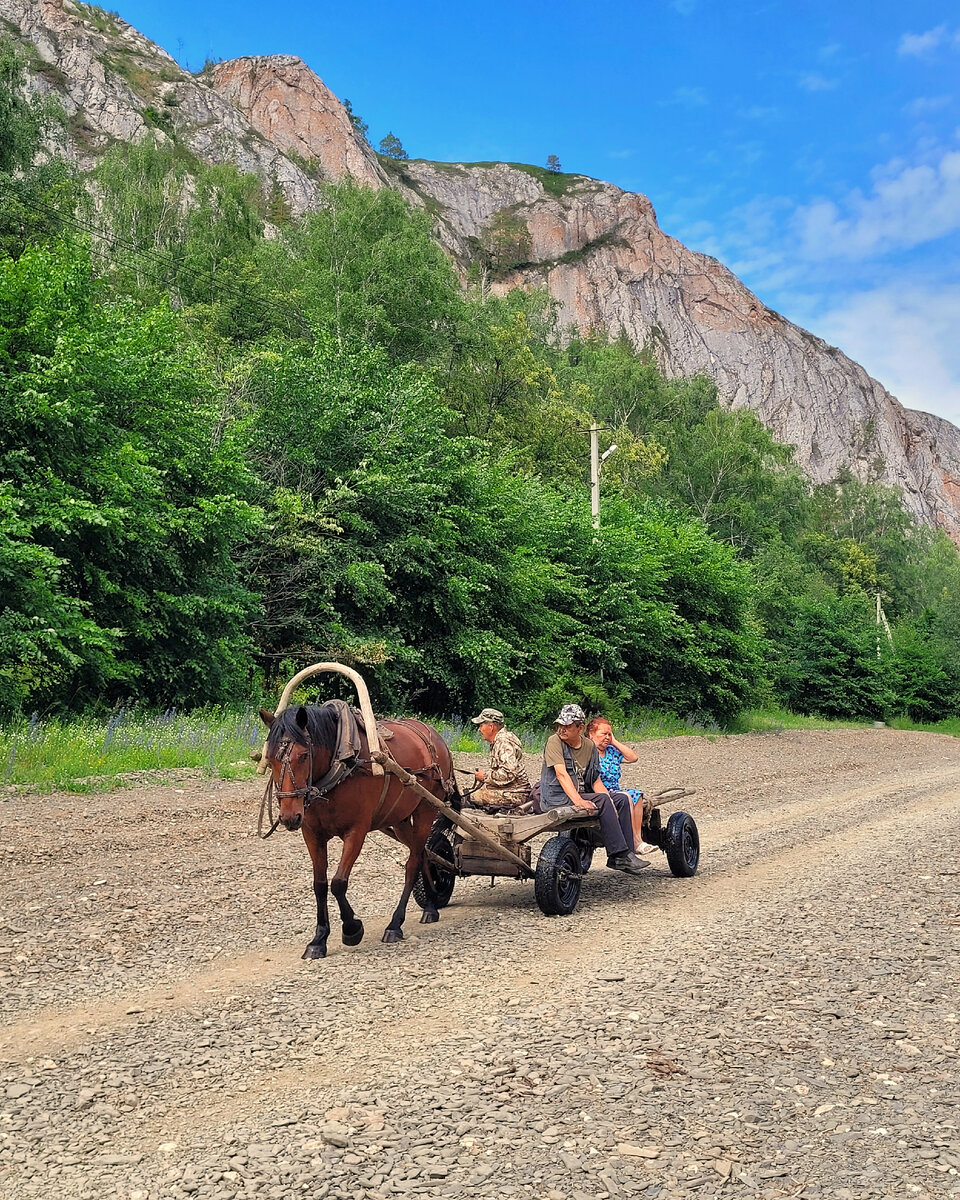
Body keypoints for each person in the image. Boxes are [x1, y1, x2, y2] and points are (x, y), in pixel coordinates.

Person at [539, 704, 649, 875]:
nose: (562, 729)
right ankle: (619, 854)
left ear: (580, 728)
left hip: (578, 792)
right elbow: (561, 775)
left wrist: (611, 802)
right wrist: (580, 801)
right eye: (560, 724)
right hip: (556, 797)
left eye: (567, 725)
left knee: (621, 799)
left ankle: (625, 855)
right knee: (604, 800)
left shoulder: (589, 746)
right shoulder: (555, 742)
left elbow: (595, 779)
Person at [586, 716, 654, 854]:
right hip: (599, 792)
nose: (607, 737)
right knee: (626, 797)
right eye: (603, 734)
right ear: (591, 734)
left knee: (636, 795)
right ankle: (633, 842)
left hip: (615, 790)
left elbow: (633, 758)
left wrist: (614, 741)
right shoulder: (588, 752)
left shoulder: (611, 751)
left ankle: (637, 840)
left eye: (609, 734)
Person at [467, 707, 530, 812]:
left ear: (491, 727)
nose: (479, 729)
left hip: (516, 794)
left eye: (481, 725)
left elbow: (508, 773)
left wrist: (484, 777)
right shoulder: (502, 740)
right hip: (511, 789)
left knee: (470, 797)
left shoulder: (503, 742)